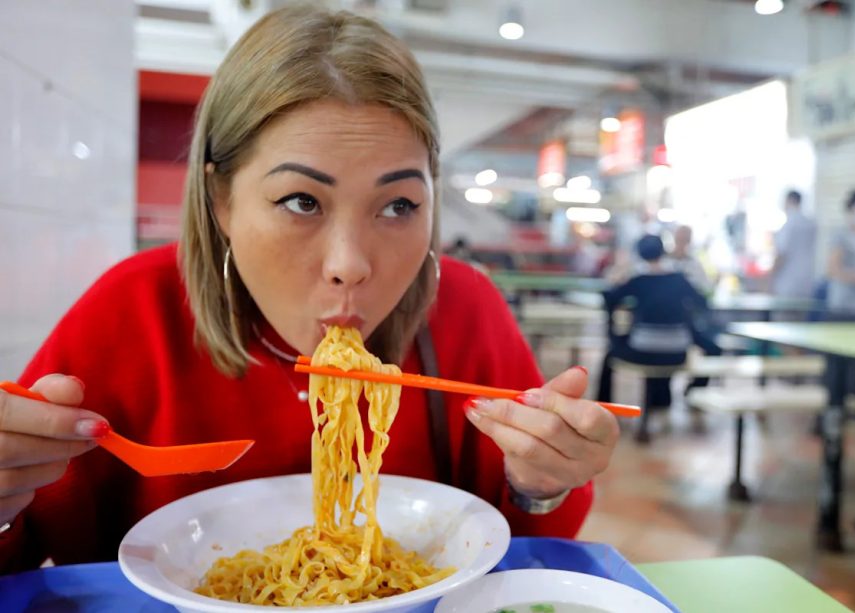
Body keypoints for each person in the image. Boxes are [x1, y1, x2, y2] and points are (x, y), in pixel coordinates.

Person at [0, 5, 620, 573]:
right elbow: (23, 548)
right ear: (221, 200)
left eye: (399, 204)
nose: (350, 265)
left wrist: (544, 481)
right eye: (301, 201)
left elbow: (524, 553)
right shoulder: (132, 308)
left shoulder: (463, 307)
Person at [596, 235, 720, 422]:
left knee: (609, 356)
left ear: (639, 254)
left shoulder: (638, 280)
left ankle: (603, 407)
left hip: (642, 350)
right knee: (713, 348)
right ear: (663, 251)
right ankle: (693, 391)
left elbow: (609, 297)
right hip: (677, 352)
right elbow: (702, 302)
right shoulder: (680, 279)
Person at [771, 190, 817, 299]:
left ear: (789, 201)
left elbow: (782, 254)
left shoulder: (789, 224)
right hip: (806, 282)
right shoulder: (811, 223)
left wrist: (770, 277)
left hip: (788, 283)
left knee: (784, 315)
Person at [669, 225, 710, 294]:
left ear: (689, 241)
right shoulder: (664, 261)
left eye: (684, 239)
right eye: (679, 239)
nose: (681, 242)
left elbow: (705, 286)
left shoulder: (695, 264)